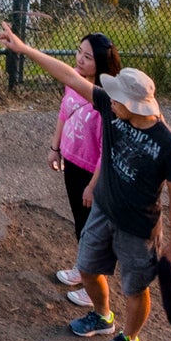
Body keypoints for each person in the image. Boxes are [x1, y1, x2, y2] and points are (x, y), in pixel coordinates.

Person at [0, 26, 171, 341]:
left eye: (116, 99)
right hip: (103, 210)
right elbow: (70, 76)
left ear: (133, 104)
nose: (108, 100)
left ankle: (129, 338)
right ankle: (103, 316)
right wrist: (25, 50)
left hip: (138, 227)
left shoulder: (167, 144)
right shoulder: (110, 107)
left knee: (134, 288)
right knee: (86, 267)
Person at [50, 34, 122, 307]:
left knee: (94, 231)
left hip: (93, 174)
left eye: (88, 57)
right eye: (79, 52)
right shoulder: (74, 83)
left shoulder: (108, 100)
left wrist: (93, 185)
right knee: (81, 224)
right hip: (73, 165)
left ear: (102, 62)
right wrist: (54, 147)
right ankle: (84, 270)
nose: (80, 59)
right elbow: (63, 113)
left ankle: (95, 287)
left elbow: (108, 149)